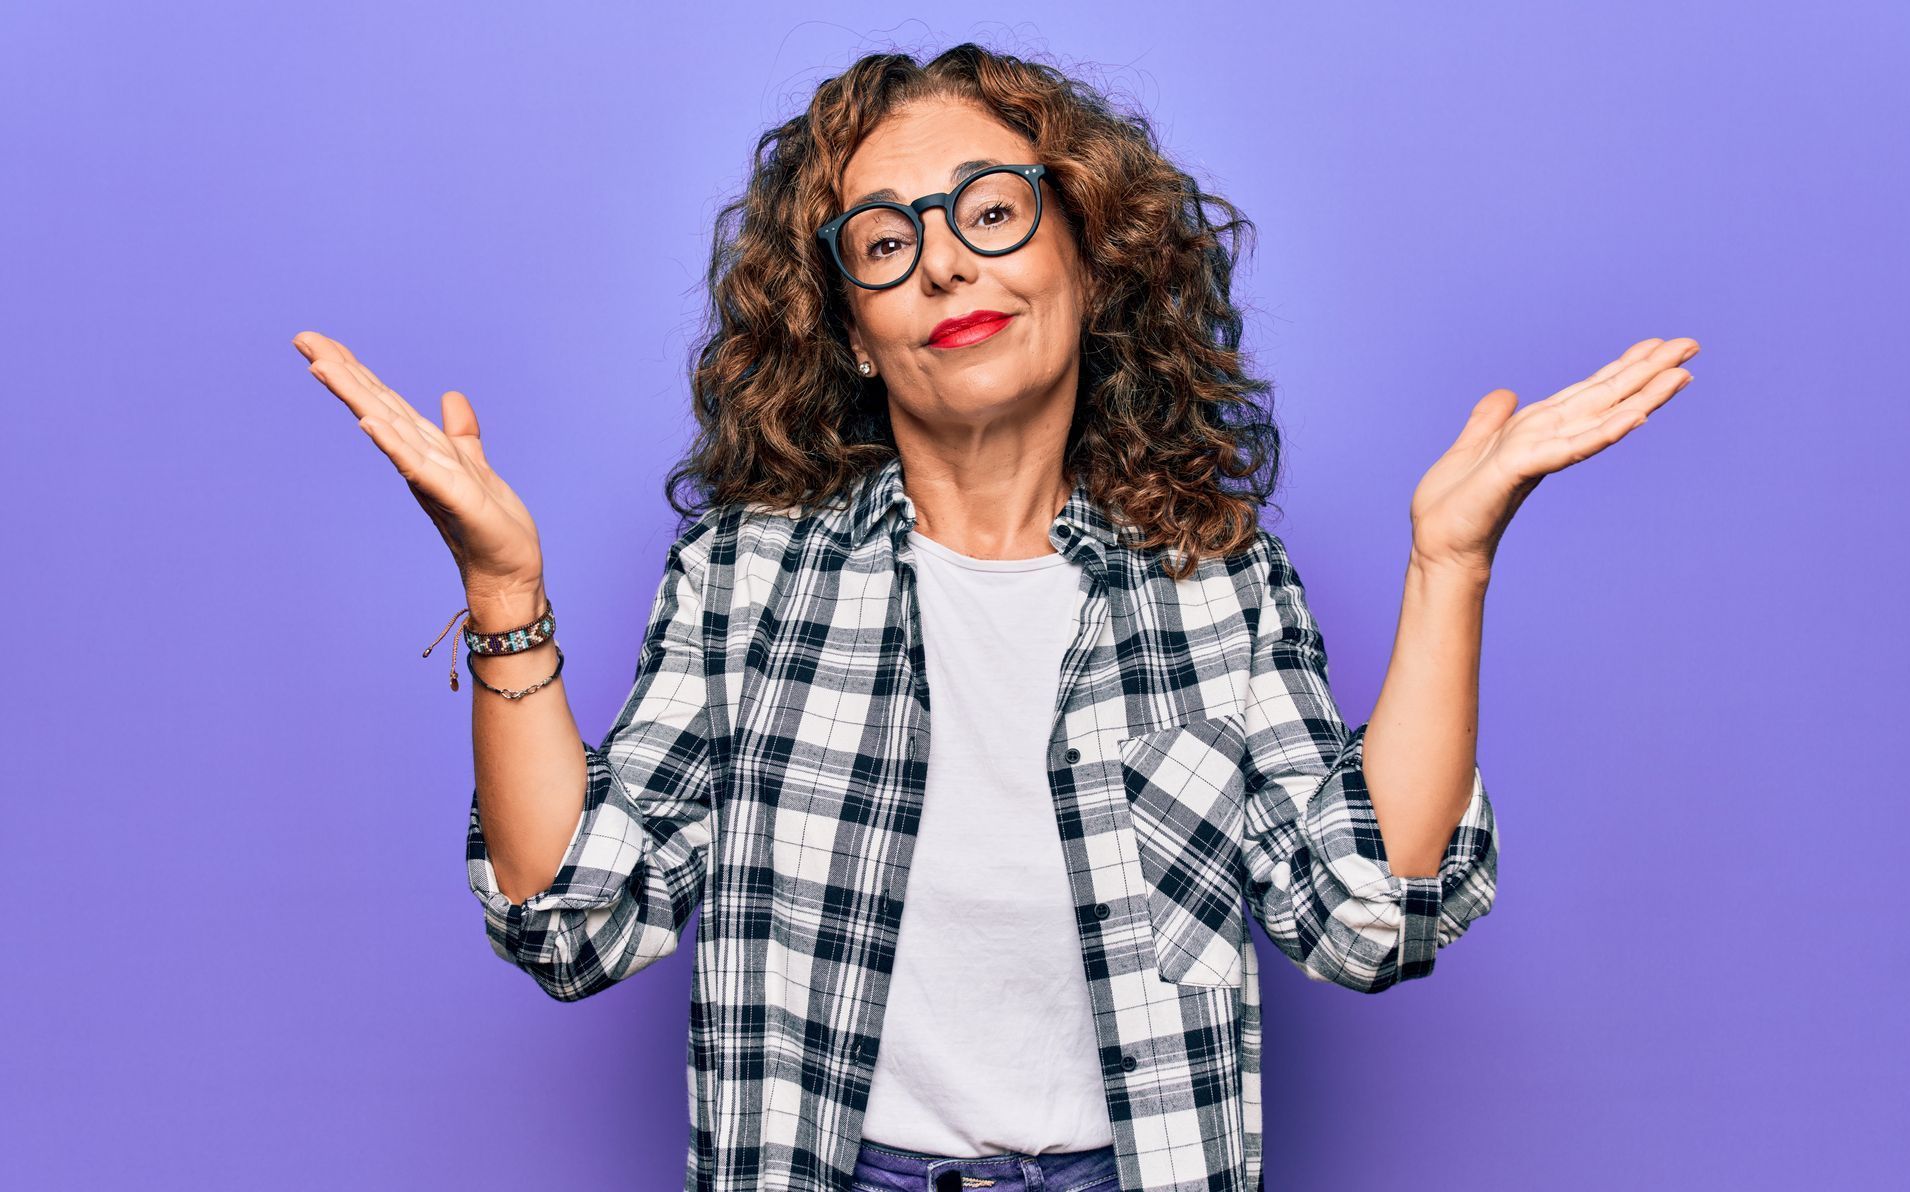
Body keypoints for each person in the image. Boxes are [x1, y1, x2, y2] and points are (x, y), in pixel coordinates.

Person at [292, 42, 1697, 1192]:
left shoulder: (1215, 578)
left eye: (992, 210)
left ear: (1089, 259)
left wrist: (1450, 564)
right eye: (886, 241)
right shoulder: (744, 576)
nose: (947, 264)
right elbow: (575, 921)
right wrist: (505, 600)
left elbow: (1361, 916)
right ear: (849, 327)